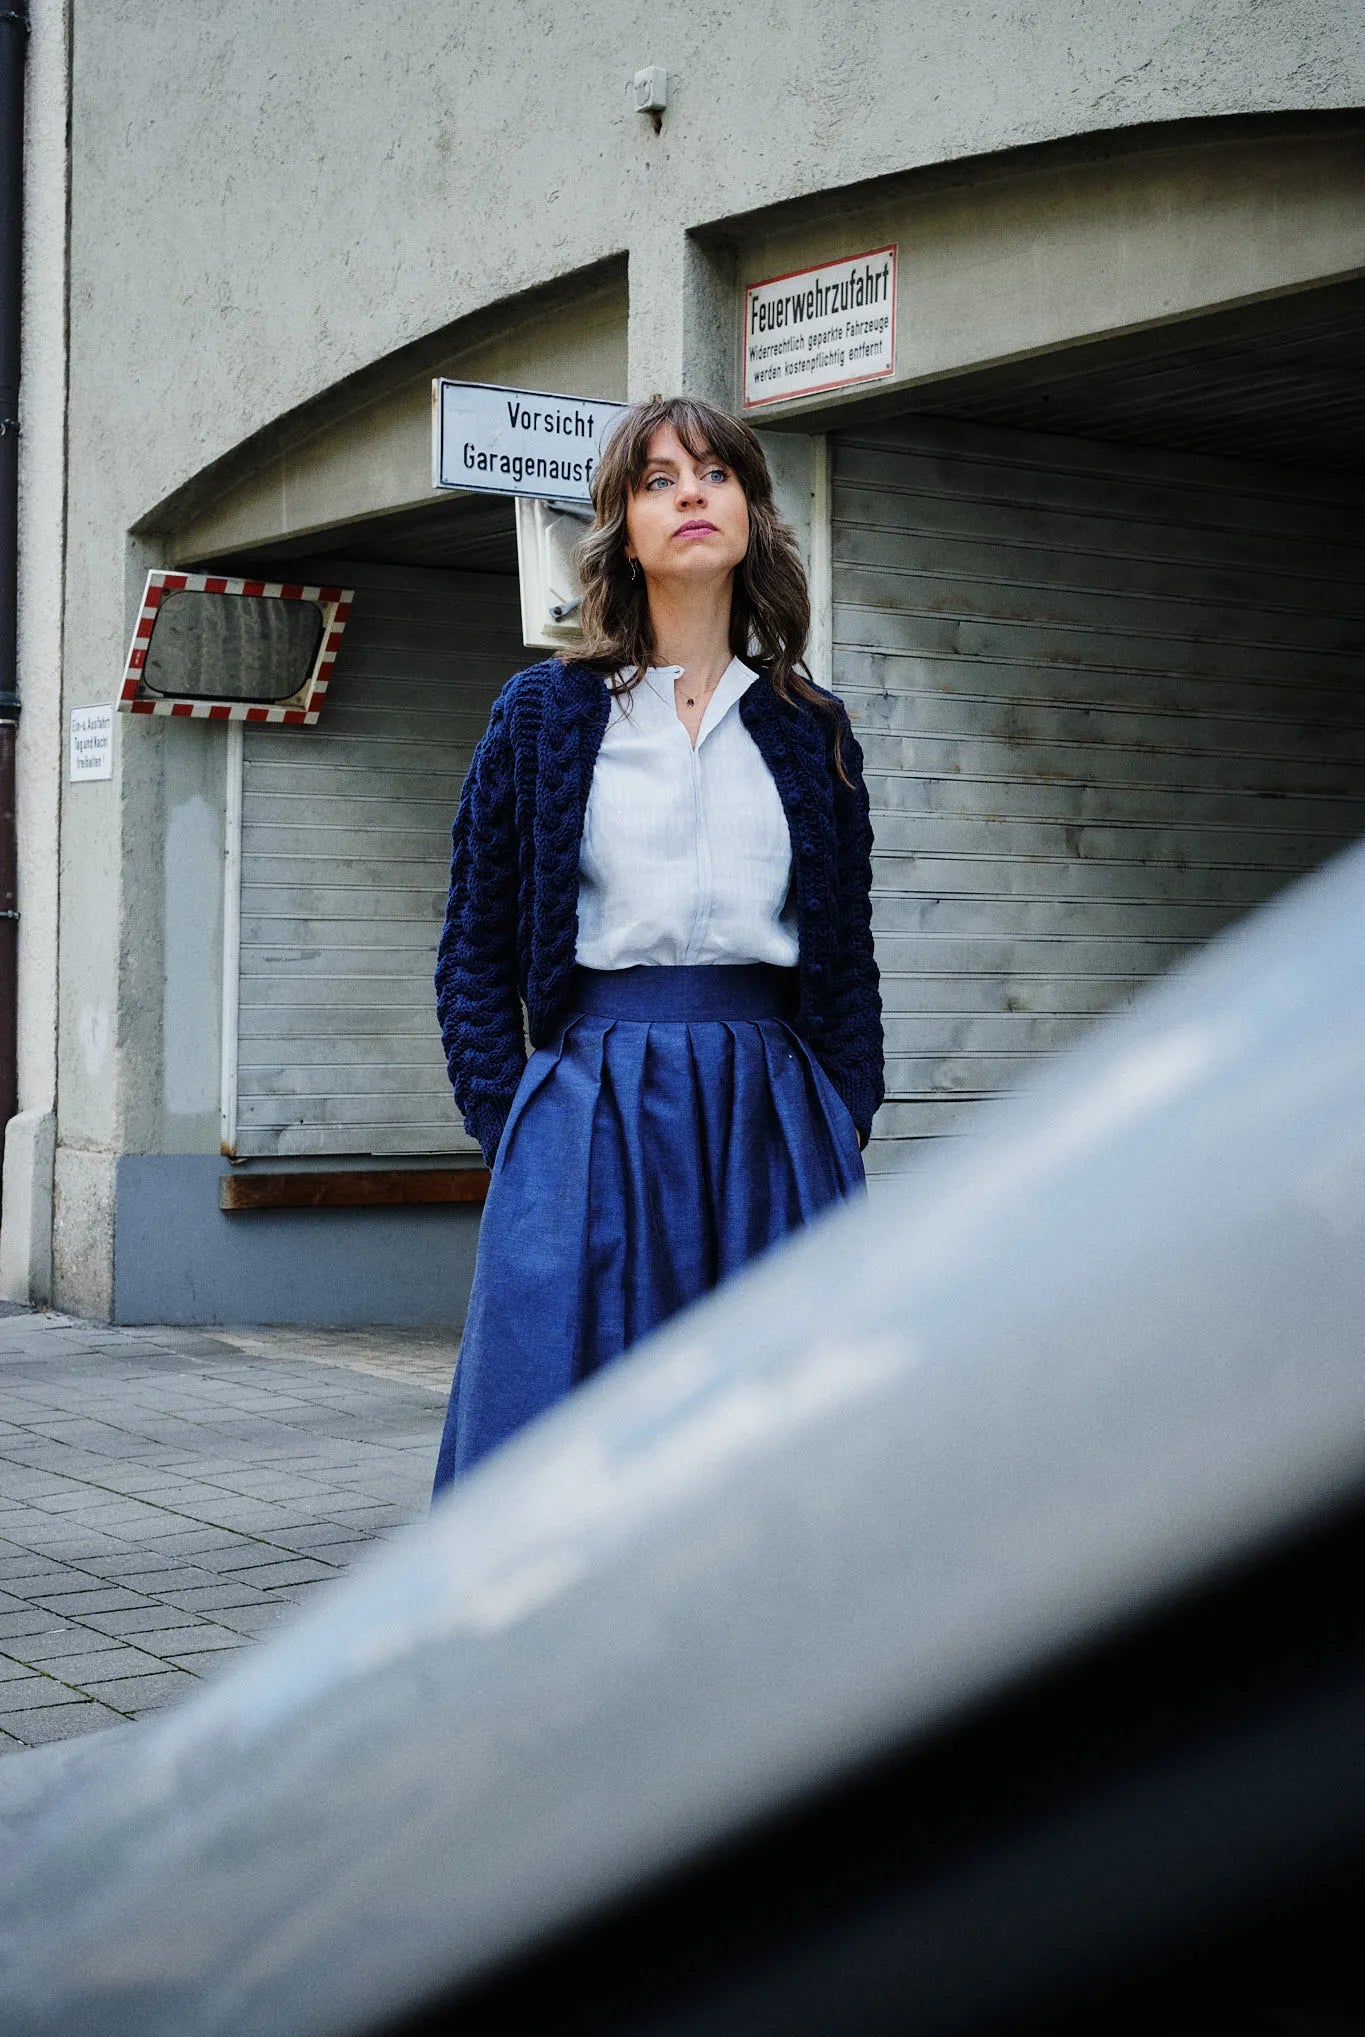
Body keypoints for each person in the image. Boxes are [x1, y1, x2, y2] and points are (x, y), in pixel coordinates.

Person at [431, 394, 884, 1491]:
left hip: (772, 1118)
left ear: (753, 518)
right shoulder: (542, 716)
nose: (691, 493)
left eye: (717, 474)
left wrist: (836, 1117)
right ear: (621, 532)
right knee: (558, 1446)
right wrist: (525, 1133)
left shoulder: (807, 725)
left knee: (781, 1451)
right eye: (657, 479)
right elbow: (473, 957)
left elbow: (849, 960)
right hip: (589, 1113)